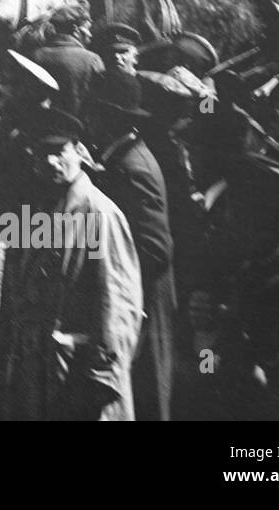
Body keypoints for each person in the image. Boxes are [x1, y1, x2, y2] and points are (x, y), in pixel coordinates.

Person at [0, 108, 144, 421]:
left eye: (58, 152)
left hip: (75, 380)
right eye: (40, 153)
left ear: (79, 152)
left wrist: (101, 379)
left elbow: (119, 305)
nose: (49, 162)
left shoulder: (100, 216)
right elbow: (11, 299)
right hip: (29, 376)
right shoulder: (27, 214)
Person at [89, 68, 176, 421]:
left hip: (145, 301)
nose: (88, 119)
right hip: (139, 298)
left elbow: (155, 248)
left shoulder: (132, 167)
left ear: (109, 117)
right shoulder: (121, 158)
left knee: (148, 395)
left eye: (93, 112)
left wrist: (126, 297)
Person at [30, 1, 104, 119]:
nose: (90, 34)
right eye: (87, 29)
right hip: (76, 129)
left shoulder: (36, 55)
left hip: (39, 125)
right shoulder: (92, 60)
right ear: (76, 29)